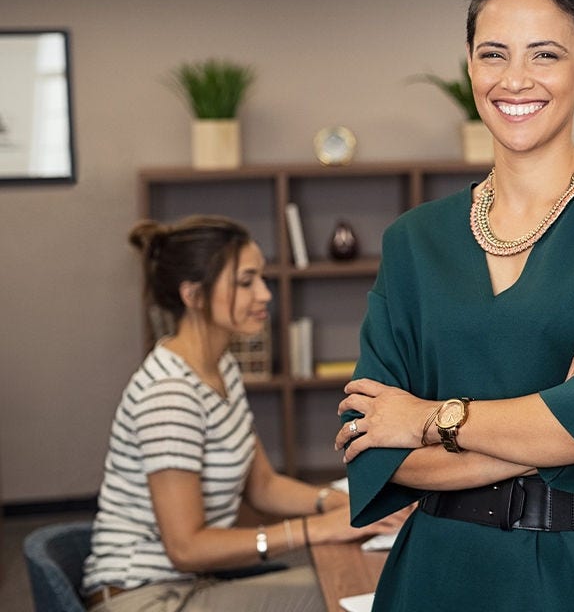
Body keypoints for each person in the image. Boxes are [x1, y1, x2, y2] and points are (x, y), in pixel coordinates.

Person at [331, 0, 574, 612]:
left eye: (545, 55)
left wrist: (430, 419)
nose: (515, 79)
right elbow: (374, 448)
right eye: (493, 54)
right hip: (437, 576)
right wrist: (562, 414)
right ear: (469, 64)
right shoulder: (414, 241)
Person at [82, 216, 405, 611]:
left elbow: (263, 485)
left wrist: (339, 503)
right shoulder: (170, 394)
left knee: (358, 579)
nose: (265, 294)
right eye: (245, 281)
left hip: (192, 583)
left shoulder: (221, 368)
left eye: (262, 279)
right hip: (147, 598)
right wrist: (317, 529)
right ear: (193, 295)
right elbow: (185, 546)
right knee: (344, 596)